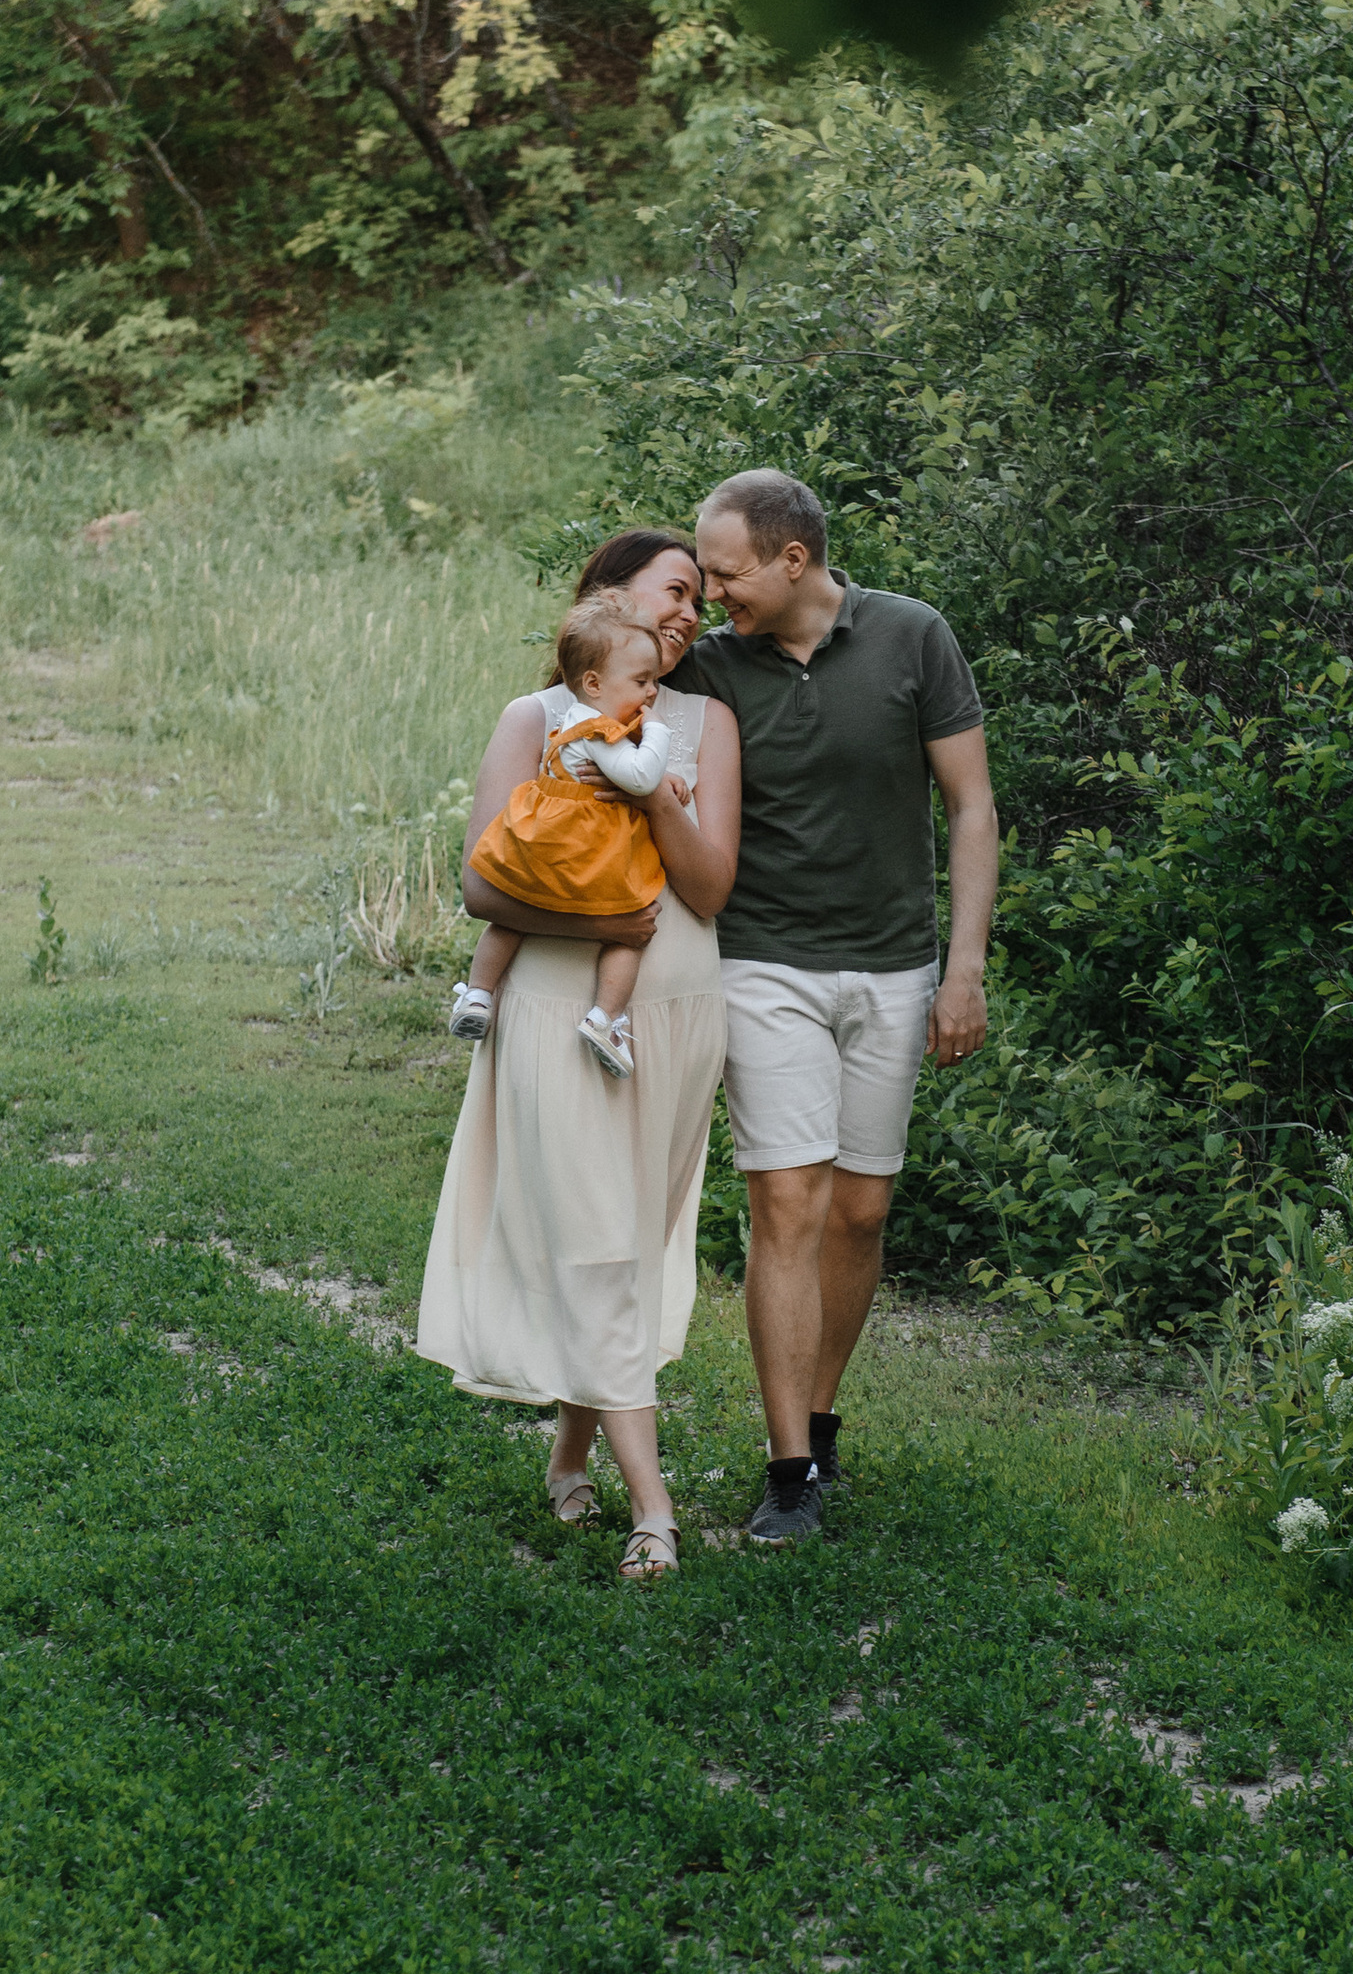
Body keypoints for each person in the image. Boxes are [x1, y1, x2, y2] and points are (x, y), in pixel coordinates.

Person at [680, 466, 997, 1545]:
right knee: (788, 1203)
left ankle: (819, 1425)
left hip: (895, 969)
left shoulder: (913, 636)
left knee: (861, 1210)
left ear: (794, 558)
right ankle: (787, 1472)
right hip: (762, 963)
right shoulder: (711, 666)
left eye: (725, 574)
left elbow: (971, 808)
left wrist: (963, 969)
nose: (712, 593)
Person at [415, 530, 740, 1580]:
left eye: (699, 600)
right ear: (609, 595)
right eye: (673, 590)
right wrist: (597, 914)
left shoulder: (705, 724)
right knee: (595, 1240)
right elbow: (482, 884)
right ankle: (655, 1509)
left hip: (678, 1011)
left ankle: (569, 1453)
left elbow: (708, 889)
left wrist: (651, 790)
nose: (688, 613)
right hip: (563, 1013)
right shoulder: (537, 718)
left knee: (624, 1245)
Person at [448, 598, 678, 1079]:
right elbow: (639, 777)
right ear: (594, 684)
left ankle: (478, 994)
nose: (652, 692)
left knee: (514, 915)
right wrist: (658, 734)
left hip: (544, 845)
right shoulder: (599, 730)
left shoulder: (573, 720)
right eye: (641, 681)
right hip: (588, 851)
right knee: (631, 926)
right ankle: (605, 1018)